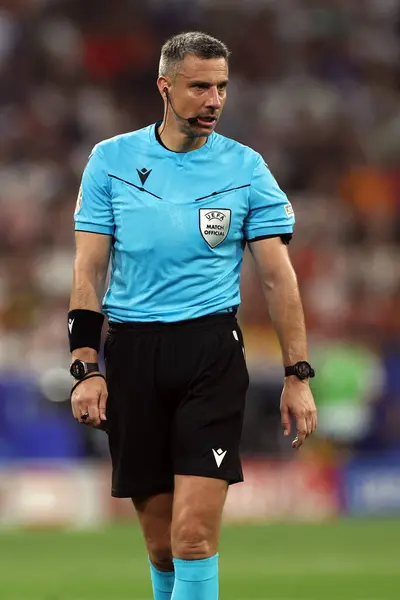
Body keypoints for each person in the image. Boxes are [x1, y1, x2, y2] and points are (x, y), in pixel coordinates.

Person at [68, 31, 317, 600]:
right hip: (133, 354)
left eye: (222, 87)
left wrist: (298, 374)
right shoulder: (111, 161)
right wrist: (86, 364)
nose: (213, 100)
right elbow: (88, 271)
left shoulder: (247, 168)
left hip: (210, 353)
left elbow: (279, 278)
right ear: (165, 87)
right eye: (200, 86)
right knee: (160, 546)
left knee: (195, 538)